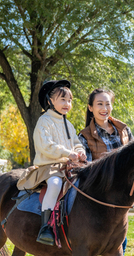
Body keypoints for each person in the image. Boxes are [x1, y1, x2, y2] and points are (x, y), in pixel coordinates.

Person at [78, 88, 134, 256]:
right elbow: (83, 169)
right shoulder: (84, 136)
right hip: (100, 200)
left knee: (120, 245)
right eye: (99, 105)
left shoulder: (124, 130)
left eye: (107, 104)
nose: (104, 109)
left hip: (122, 199)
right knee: (112, 246)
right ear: (90, 108)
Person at [17, 80, 86, 246]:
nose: (67, 104)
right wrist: (67, 153)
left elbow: (76, 142)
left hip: (68, 167)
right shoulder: (44, 121)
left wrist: (80, 151)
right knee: (55, 184)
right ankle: (45, 227)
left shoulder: (68, 124)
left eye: (69, 100)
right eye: (62, 99)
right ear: (50, 101)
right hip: (49, 167)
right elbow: (45, 145)